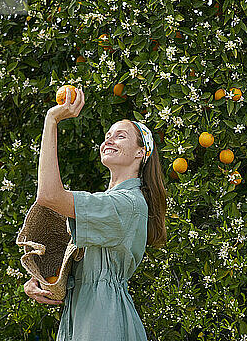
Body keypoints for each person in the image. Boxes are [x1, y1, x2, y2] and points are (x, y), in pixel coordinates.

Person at [23, 87, 167, 340]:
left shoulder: (128, 203)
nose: (108, 140)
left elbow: (49, 196)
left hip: (103, 319)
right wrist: (43, 282)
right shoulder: (107, 202)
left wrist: (52, 120)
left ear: (140, 152)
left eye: (120, 136)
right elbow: (79, 272)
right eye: (107, 135)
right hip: (82, 316)